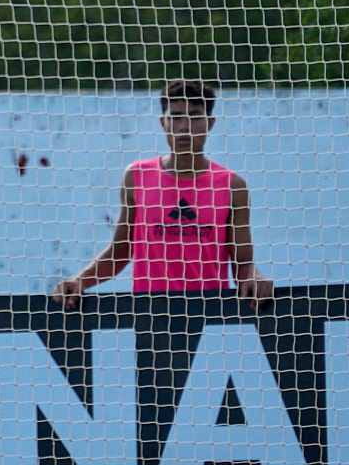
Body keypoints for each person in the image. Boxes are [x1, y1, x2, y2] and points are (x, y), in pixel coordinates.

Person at [50, 80, 274, 309]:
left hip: (212, 318)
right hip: (151, 317)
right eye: (176, 117)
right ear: (163, 123)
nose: (185, 126)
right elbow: (120, 251)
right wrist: (80, 280)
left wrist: (255, 277)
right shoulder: (136, 177)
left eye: (195, 116)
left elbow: (243, 261)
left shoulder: (232, 186)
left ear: (210, 123)